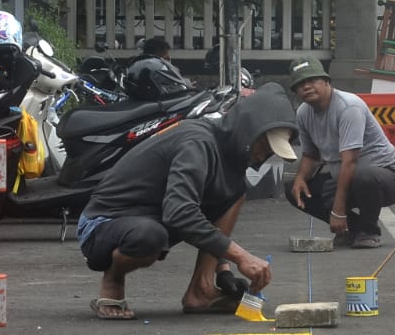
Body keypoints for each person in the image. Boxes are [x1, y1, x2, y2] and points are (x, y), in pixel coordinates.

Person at [77, 85, 299, 320]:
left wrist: (222, 269)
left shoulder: (230, 158)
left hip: (154, 217)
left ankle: (201, 290)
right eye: (264, 146)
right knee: (150, 237)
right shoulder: (197, 143)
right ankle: (113, 280)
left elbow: (213, 208)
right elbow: (179, 213)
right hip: (102, 224)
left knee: (235, 192)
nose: (262, 156)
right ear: (248, 129)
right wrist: (242, 257)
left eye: (270, 153)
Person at [284, 56, 395, 250]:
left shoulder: (348, 107)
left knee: (364, 176)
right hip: (349, 176)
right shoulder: (303, 113)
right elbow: (311, 155)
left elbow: (350, 162)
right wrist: (300, 178)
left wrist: (338, 209)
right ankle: (352, 229)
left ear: (326, 81)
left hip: (388, 176)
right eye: (300, 84)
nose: (306, 87)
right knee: (294, 190)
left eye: (312, 81)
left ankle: (368, 231)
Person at [123, 35, 192, 100]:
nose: (169, 62)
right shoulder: (156, 70)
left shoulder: (135, 66)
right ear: (156, 60)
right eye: (166, 59)